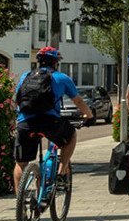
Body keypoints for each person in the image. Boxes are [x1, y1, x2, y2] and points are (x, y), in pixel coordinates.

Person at [13, 47, 93, 191]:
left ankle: (20, 203)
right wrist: (89, 115)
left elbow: (17, 100)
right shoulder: (61, 78)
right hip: (49, 123)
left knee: (20, 163)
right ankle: (61, 173)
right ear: (55, 63)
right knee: (71, 136)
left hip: (25, 123)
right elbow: (78, 102)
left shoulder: (25, 76)